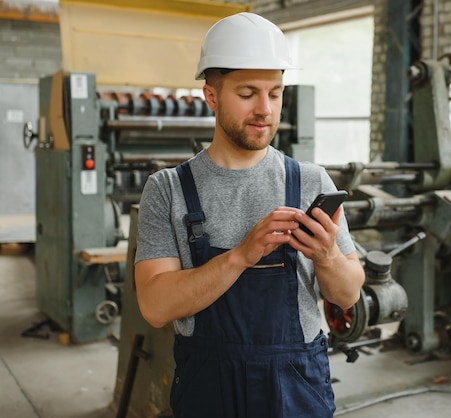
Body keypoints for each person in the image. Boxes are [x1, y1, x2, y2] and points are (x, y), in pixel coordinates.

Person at [134, 12, 365, 418]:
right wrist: (240, 255)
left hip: (296, 385)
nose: (264, 109)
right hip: (208, 386)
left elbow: (347, 295)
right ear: (211, 96)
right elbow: (154, 306)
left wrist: (327, 256)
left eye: (274, 93)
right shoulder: (167, 189)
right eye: (247, 93)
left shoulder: (312, 182)